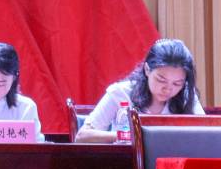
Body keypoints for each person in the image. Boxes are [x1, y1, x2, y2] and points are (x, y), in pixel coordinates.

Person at [75, 38, 204, 143]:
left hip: (172, 163)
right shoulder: (120, 93)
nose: (168, 89)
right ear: (147, 69)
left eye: (177, 83)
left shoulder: (186, 95)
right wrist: (129, 136)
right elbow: (82, 136)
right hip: (127, 164)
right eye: (161, 80)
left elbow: (206, 134)